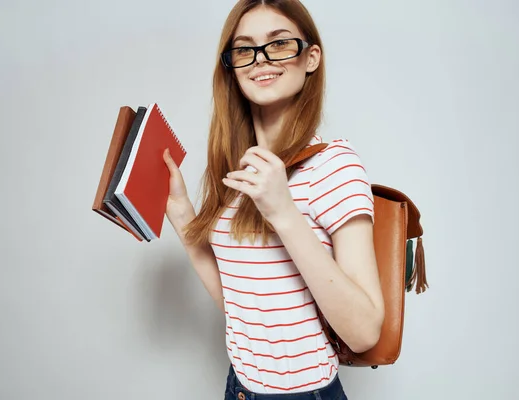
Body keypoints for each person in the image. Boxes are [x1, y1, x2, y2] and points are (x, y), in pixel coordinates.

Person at [162, 1, 384, 398]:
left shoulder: (333, 164)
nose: (260, 60)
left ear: (311, 57)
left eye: (279, 44)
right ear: (231, 66)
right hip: (240, 387)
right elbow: (243, 309)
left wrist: (284, 211)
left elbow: (364, 332)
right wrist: (182, 215)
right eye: (245, 49)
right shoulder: (240, 171)